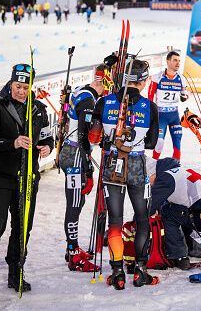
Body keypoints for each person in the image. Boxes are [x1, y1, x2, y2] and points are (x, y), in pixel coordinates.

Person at [0, 63, 54, 299]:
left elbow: (49, 135)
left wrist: (47, 147)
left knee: (22, 226)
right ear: (10, 84)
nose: (21, 91)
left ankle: (16, 271)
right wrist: (13, 143)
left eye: (26, 87)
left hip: (27, 176)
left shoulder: (38, 109)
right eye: (18, 86)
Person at [89, 59, 160, 290]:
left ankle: (118, 273)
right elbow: (150, 143)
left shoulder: (104, 101)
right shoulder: (149, 106)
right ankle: (140, 271)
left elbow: (92, 137)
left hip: (112, 164)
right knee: (142, 219)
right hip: (137, 164)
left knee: (115, 222)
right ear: (143, 81)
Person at [58, 64, 111, 272]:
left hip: (74, 153)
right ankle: (73, 255)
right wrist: (88, 167)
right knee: (74, 203)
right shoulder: (88, 100)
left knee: (77, 203)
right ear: (103, 82)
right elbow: (82, 135)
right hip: (75, 155)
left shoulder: (85, 91)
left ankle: (72, 248)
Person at [148, 158, 201, 270]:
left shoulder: (165, 178)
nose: (149, 183)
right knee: (176, 209)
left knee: (168, 212)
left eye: (148, 178)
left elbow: (149, 208)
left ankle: (179, 256)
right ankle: (190, 246)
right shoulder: (181, 171)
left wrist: (136, 222)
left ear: (154, 173)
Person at [148, 51, 188, 160]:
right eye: (175, 60)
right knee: (159, 142)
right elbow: (150, 98)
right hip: (161, 116)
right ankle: (153, 164)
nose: (178, 63)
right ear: (168, 61)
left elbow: (184, 96)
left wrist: (184, 96)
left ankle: (176, 165)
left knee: (177, 141)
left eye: (179, 61)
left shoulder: (182, 78)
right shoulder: (158, 77)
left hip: (174, 115)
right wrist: (150, 114)